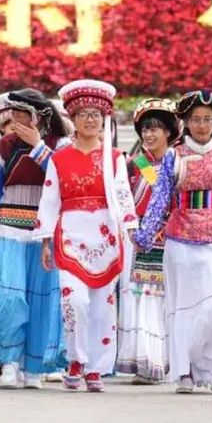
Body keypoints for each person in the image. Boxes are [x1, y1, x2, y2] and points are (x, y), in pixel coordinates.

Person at [133, 89, 212, 395]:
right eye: (195, 119)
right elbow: (160, 199)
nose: (201, 125)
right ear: (186, 122)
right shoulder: (175, 156)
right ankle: (184, 371)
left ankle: (209, 366)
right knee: (185, 309)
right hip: (181, 240)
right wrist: (145, 234)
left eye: (207, 119)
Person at [36, 80, 138, 392]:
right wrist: (45, 240)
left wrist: (130, 229)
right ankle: (76, 359)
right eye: (83, 114)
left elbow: (123, 195)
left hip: (106, 239)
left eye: (96, 115)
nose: (90, 120)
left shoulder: (114, 157)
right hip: (70, 238)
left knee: (103, 306)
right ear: (74, 119)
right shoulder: (59, 158)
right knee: (75, 300)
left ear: (104, 120)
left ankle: (96, 368)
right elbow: (50, 199)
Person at [0, 89, 71, 390]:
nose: (15, 120)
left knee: (42, 296)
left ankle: (34, 366)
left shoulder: (59, 146)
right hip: (8, 225)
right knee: (10, 295)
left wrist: (38, 147)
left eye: (22, 114)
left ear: (38, 117)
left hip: (44, 228)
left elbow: (64, 178)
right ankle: (9, 361)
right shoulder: (2, 147)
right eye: (13, 114)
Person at [116, 98, 180, 384]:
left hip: (172, 237)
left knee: (168, 300)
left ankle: (169, 361)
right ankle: (145, 361)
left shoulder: (178, 163)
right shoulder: (134, 165)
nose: (149, 134)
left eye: (155, 128)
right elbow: (123, 200)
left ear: (168, 132)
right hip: (139, 238)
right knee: (140, 298)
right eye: (145, 129)